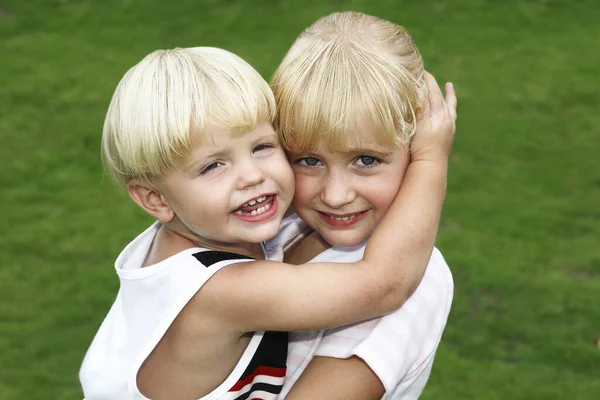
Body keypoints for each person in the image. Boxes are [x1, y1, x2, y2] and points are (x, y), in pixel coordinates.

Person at [79, 45, 454, 400]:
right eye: (213, 166)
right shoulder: (223, 291)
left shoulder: (180, 241)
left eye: (261, 147)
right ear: (155, 199)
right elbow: (384, 285)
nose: (252, 176)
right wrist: (430, 158)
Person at [269, 11, 457, 399]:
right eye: (308, 160)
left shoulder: (415, 281)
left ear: (417, 144)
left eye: (366, 160)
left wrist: (432, 162)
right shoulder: (280, 226)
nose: (336, 195)